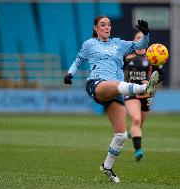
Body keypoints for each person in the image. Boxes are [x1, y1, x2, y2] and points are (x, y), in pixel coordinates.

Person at [63, 15, 159, 183]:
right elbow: (77, 61)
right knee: (117, 84)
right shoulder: (89, 44)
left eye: (109, 25)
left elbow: (141, 45)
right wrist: (70, 74)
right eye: (102, 25)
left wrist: (146, 34)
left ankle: (107, 166)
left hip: (115, 92)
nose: (106, 27)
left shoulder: (119, 44)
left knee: (121, 135)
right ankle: (144, 88)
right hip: (97, 84)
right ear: (95, 28)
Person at [123, 31, 164, 161]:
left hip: (147, 94)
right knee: (136, 119)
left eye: (142, 37)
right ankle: (138, 150)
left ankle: (134, 134)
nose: (140, 39)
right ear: (134, 41)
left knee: (139, 124)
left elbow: (161, 75)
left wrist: (152, 81)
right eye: (137, 38)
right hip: (131, 92)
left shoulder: (152, 57)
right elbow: (118, 71)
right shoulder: (127, 57)